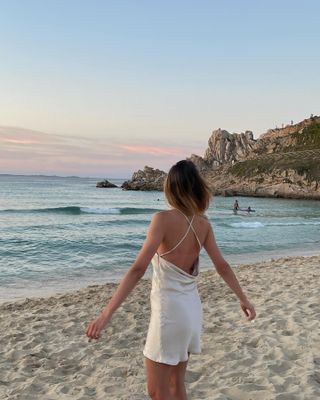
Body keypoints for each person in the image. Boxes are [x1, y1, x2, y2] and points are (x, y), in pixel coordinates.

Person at [86, 160, 256, 400]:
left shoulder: (162, 220)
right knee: (177, 384)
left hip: (169, 314)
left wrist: (106, 314)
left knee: (157, 392)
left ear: (171, 188)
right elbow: (223, 266)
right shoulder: (203, 224)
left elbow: (138, 269)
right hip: (191, 311)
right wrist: (243, 299)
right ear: (196, 187)